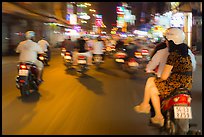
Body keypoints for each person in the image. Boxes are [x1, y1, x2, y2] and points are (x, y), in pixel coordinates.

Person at [134, 27, 194, 127]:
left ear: (172, 41)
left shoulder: (173, 54)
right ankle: (147, 107)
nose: (166, 42)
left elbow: (164, 77)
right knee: (152, 84)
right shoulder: (186, 52)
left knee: (151, 85)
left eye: (167, 40)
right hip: (187, 84)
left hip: (175, 84)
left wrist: (159, 77)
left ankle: (152, 111)